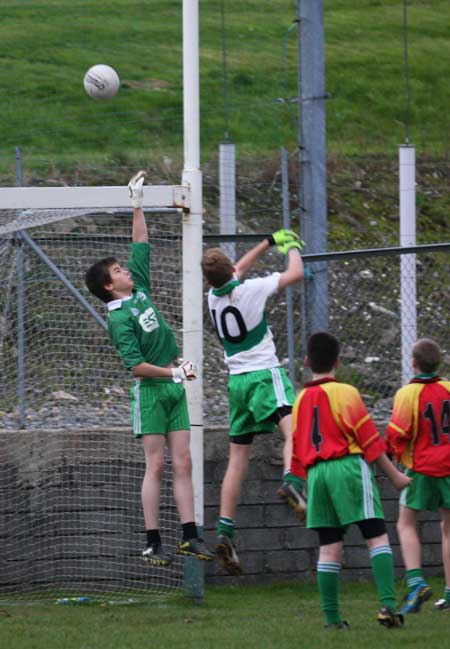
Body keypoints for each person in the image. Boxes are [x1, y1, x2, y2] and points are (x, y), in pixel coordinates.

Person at [85, 171, 213, 566]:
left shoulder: (138, 289)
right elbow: (136, 367)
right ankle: (153, 539)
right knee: (156, 464)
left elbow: (140, 242)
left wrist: (136, 203)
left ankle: (190, 536)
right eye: (118, 271)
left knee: (186, 461)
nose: (125, 270)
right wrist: (173, 373)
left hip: (173, 384)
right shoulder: (118, 318)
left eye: (123, 267)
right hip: (152, 391)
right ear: (109, 286)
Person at [201, 230, 306, 575]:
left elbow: (233, 273)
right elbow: (295, 274)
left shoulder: (212, 299)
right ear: (229, 269)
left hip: (237, 384)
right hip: (265, 375)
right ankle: (292, 481)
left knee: (237, 459)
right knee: (295, 430)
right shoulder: (251, 291)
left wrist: (265, 243)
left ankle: (225, 529)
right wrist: (289, 247)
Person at [291, 332, 410, 629]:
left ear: (307, 362)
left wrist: (300, 485)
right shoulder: (346, 393)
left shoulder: (300, 400)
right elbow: (370, 441)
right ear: (338, 362)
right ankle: (387, 607)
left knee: (329, 547)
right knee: (376, 535)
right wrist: (395, 475)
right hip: (348, 467)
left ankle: (332, 620)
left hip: (317, 475)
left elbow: (297, 448)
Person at [386, 338, 450, 614]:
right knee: (448, 527)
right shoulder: (448, 388)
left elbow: (397, 433)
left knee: (406, 524)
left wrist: (395, 456)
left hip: (421, 468)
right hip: (449, 466)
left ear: (413, 363)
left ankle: (416, 582)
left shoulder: (407, 394)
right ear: (438, 363)